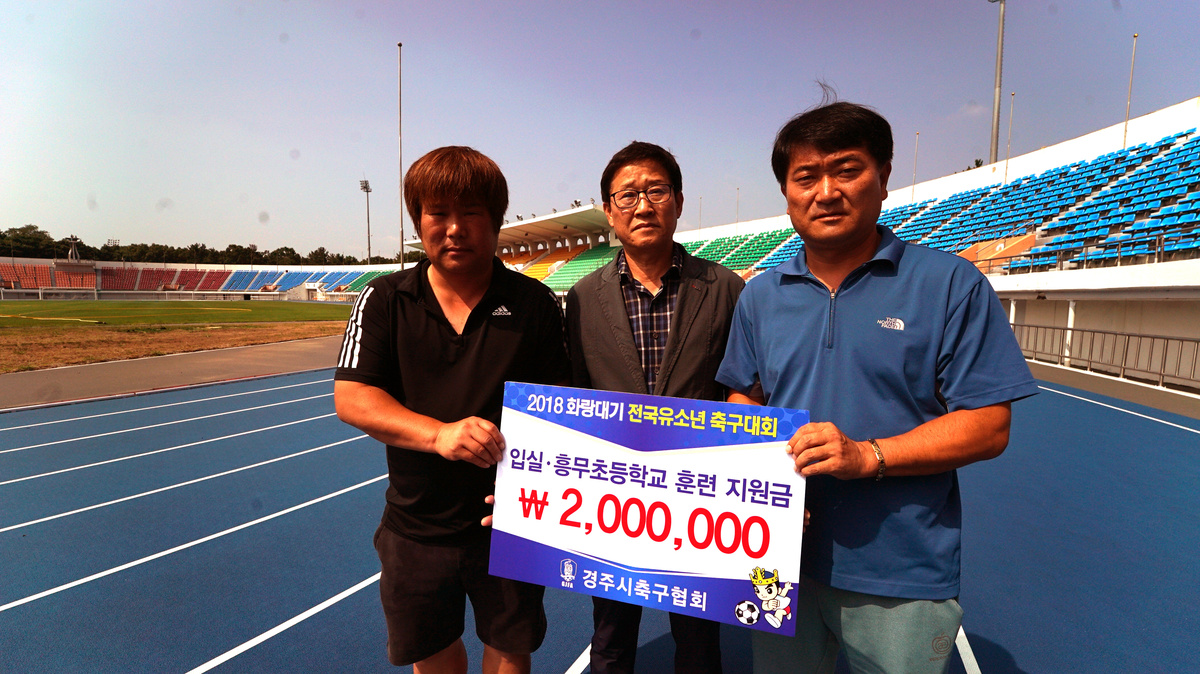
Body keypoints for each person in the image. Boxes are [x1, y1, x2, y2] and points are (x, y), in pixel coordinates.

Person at [715, 102, 1038, 674]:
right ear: (787, 194)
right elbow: (745, 395)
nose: (826, 192)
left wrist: (867, 456)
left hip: (900, 569)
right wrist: (763, 477)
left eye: (847, 170)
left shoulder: (950, 285)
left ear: (883, 178)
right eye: (806, 177)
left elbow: (989, 425)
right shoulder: (760, 296)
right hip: (776, 561)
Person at [334, 146, 570, 674]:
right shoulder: (385, 298)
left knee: (510, 651)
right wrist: (439, 434)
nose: (455, 228)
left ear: (496, 222)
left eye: (471, 213)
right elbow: (352, 396)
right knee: (433, 656)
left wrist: (539, 495)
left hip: (509, 521)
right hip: (416, 526)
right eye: (438, 213)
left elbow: (561, 406)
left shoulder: (534, 303)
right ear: (418, 221)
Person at [566, 141, 745, 674]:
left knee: (698, 642)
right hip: (613, 501)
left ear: (679, 201)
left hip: (697, 504)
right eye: (627, 195)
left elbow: (747, 389)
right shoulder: (583, 297)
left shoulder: (725, 288)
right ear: (609, 211)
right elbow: (575, 395)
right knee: (611, 637)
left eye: (656, 191)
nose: (642, 206)